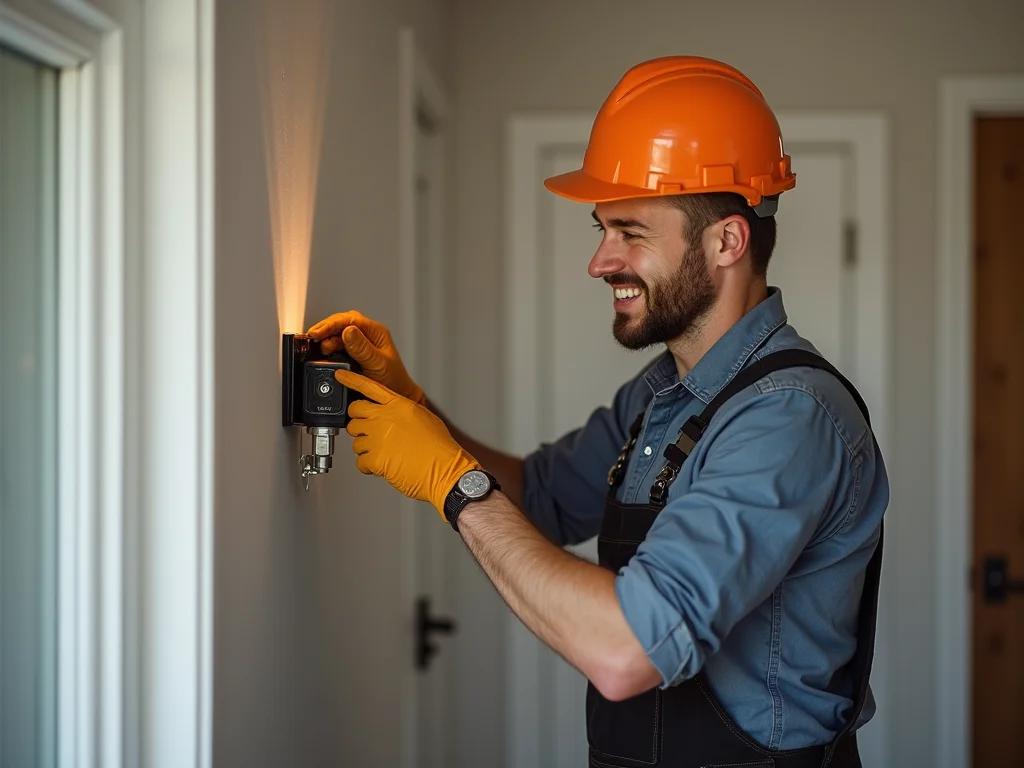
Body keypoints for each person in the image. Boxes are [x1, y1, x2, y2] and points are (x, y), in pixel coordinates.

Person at [308, 55, 888, 768]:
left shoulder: (789, 420)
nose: (601, 262)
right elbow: (544, 498)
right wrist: (416, 410)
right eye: (602, 228)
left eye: (632, 233)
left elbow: (628, 651)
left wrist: (452, 483)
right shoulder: (662, 393)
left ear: (727, 241)